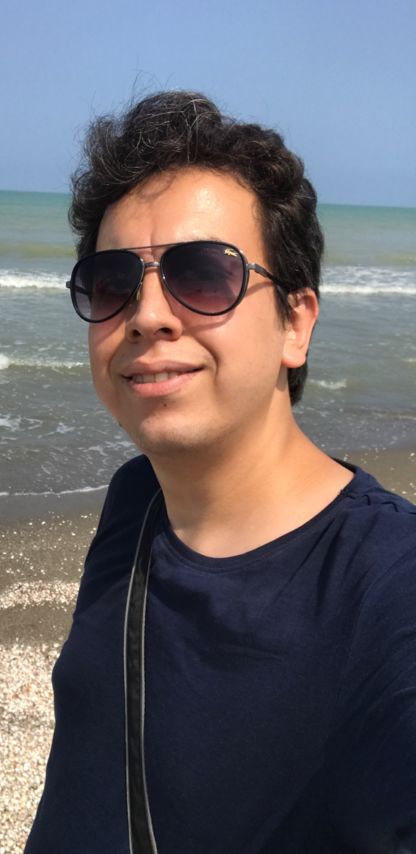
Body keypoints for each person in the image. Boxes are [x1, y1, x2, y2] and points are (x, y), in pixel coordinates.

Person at [24, 91, 416, 853]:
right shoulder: (136, 500)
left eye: (203, 274)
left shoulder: (389, 586)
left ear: (295, 323)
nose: (147, 315)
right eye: (113, 282)